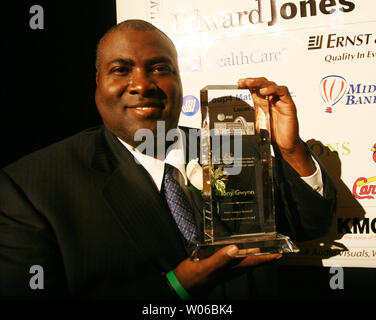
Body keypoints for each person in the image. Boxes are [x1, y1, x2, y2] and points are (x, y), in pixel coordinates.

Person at [0, 19, 336, 300]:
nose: (143, 84)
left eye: (160, 68)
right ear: (98, 85)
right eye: (121, 69)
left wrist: (289, 149)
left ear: (179, 81)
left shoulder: (234, 149)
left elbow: (309, 225)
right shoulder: (32, 188)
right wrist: (176, 287)